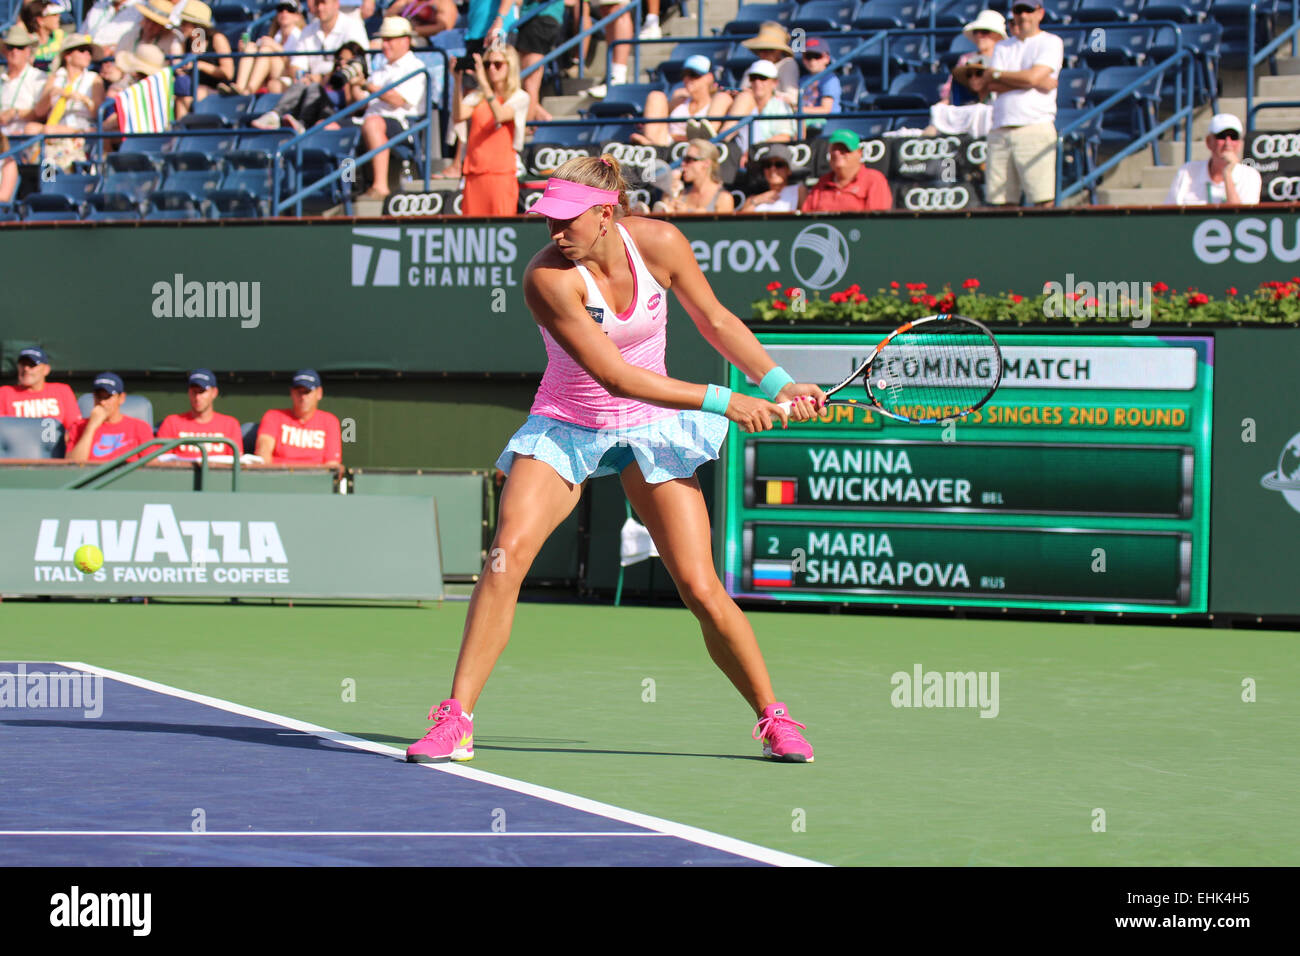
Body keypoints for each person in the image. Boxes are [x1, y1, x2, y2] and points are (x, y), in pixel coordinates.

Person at [404, 155, 825, 765]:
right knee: (504, 558)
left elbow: (715, 319)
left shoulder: (659, 243)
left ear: (605, 215)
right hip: (567, 423)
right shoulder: (547, 279)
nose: (553, 233)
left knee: (701, 586)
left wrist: (778, 383)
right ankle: (457, 720)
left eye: (565, 220)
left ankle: (774, 717)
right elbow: (614, 376)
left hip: (652, 427)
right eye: (547, 221)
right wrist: (727, 401)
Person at [967, 0, 1063, 207]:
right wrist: (1029, 80)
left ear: (1040, 13)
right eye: (1018, 10)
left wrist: (1001, 75)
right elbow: (990, 84)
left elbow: (1030, 78)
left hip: (1034, 126)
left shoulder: (1051, 42)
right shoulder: (1003, 46)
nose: (1022, 15)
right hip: (1000, 129)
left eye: (1028, 10)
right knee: (1001, 203)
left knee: (1042, 199)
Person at [350, 16, 426, 201]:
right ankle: (349, 185)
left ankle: (380, 186)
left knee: (373, 124)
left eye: (389, 39)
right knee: (335, 130)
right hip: (372, 118)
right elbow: (364, 102)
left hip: (404, 125)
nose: (385, 45)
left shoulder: (415, 67)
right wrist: (353, 84)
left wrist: (368, 86)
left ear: (405, 40)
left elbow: (398, 100)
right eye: (384, 40)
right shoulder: (381, 68)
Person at [455, 43, 528, 214]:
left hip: (500, 173)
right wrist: (457, 81)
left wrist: (483, 84)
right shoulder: (476, 96)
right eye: (487, 65)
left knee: (500, 225)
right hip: (474, 172)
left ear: (510, 67)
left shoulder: (520, 96)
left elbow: (501, 115)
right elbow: (458, 115)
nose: (491, 69)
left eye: (498, 64)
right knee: (472, 231)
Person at [25, 33, 105, 170]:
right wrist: (52, 94)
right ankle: (48, 181)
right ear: (68, 56)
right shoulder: (55, 78)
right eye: (82, 50)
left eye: (89, 51)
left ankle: (58, 177)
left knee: (49, 135)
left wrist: (83, 99)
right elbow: (39, 112)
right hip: (56, 126)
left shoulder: (93, 79)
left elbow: (96, 113)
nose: (87, 54)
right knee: (31, 130)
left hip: (82, 127)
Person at [925, 9, 1006, 139]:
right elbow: (951, 90)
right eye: (976, 32)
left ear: (997, 35)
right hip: (967, 108)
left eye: (984, 32)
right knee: (938, 118)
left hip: (995, 110)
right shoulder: (965, 59)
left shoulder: (1004, 59)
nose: (979, 36)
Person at [630, 54, 732, 147]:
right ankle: (651, 146)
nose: (687, 79)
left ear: (709, 77)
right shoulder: (678, 100)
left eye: (693, 74)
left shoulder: (717, 102)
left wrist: (676, 137)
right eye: (684, 74)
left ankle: (650, 145)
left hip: (695, 149)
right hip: (665, 146)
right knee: (656, 96)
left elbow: (709, 137)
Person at [1164, 113, 1261, 205]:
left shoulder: (1250, 176)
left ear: (1240, 143)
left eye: (1233, 137)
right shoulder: (1187, 171)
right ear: (1208, 142)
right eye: (1221, 136)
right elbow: (1169, 213)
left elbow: (1241, 218)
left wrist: (1227, 174)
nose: (1228, 142)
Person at [254, 369, 342, 466]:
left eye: (307, 392)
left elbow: (332, 465)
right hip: (278, 478)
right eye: (298, 391)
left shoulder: (330, 421)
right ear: (291, 392)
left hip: (315, 479)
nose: (303, 397)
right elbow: (263, 455)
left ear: (319, 393)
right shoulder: (273, 416)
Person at [155, 368, 246, 461]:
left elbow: (236, 463)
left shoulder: (230, 424)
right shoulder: (171, 422)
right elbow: (160, 463)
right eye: (194, 391)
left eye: (202, 391)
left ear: (214, 393)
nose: (197, 397)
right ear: (189, 392)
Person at [65, 372, 155, 464]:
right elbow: (72, 466)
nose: (102, 402)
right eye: (98, 396)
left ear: (121, 398)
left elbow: (153, 467)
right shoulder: (79, 426)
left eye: (107, 396)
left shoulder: (140, 427)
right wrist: (91, 427)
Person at [801, 128, 893, 212]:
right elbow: (807, 219)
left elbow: (878, 222)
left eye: (844, 149)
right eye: (834, 149)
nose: (837, 153)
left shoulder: (874, 180)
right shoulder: (822, 183)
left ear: (859, 153)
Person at [720, 59, 794, 159]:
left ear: (775, 82)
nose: (757, 82)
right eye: (753, 78)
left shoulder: (780, 105)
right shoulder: (741, 101)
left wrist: (754, 150)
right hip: (738, 154)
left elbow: (784, 137)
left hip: (766, 157)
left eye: (763, 78)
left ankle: (720, 142)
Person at [0, 347, 82, 434]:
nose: (26, 369)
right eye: (23, 364)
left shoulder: (62, 391)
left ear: (46, 369)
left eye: (32, 365)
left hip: (55, 445)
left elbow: (73, 428)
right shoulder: (4, 393)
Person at [233, 0, 305, 96]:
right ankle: (239, 87)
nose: (284, 13)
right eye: (280, 9)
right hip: (273, 73)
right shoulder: (276, 36)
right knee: (250, 47)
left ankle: (248, 91)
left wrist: (276, 48)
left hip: (289, 77)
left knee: (266, 50)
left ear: (297, 16)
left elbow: (296, 68)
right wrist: (245, 49)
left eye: (290, 10)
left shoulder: (300, 37)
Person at [652, 138, 734, 213]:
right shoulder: (681, 194)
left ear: (706, 163)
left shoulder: (723, 198)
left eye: (688, 159)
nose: (683, 164)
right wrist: (668, 191)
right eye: (683, 159)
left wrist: (687, 213)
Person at [515, 1, 564, 123]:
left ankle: (528, 124)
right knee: (524, 81)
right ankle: (543, 117)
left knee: (529, 82)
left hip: (539, 20)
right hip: (537, 20)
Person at [0, 24, 45, 139]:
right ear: (5, 51)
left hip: (24, 138)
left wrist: (15, 113)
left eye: (20, 47)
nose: (15, 51)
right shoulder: (2, 76)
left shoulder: (38, 77)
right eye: (10, 47)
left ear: (28, 51)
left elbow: (42, 113)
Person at [739, 143, 804, 212]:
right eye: (768, 165)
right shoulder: (753, 198)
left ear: (788, 170)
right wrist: (757, 200)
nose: (772, 169)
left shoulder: (798, 190)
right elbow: (742, 221)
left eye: (779, 164)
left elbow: (805, 219)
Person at [798, 36, 840, 139]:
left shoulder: (830, 79)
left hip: (827, 121)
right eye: (808, 56)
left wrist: (800, 110)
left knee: (798, 120)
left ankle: (799, 146)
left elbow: (826, 109)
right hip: (806, 117)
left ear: (827, 58)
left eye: (817, 56)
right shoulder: (802, 80)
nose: (812, 60)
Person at [27, 1, 66, 71]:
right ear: (40, 20)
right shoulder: (27, 42)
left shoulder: (62, 36)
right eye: (54, 15)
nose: (58, 17)